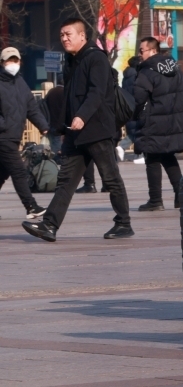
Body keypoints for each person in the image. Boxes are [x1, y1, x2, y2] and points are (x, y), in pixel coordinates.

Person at [22, 18, 133, 242]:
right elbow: (69, 98)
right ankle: (49, 225)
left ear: (82, 36)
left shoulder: (96, 58)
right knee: (66, 180)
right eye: (62, 35)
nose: (64, 39)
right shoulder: (72, 61)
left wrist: (82, 116)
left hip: (98, 130)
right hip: (75, 132)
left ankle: (123, 223)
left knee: (110, 178)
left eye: (68, 34)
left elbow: (96, 92)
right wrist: (63, 129)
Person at [132, 36, 183, 211]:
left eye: (142, 51)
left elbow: (138, 98)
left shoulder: (147, 71)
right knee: (167, 155)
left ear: (152, 51)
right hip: (173, 119)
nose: (139, 54)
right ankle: (180, 196)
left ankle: (155, 200)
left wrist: (135, 114)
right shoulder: (175, 69)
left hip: (154, 120)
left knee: (152, 157)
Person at [0, 47, 50, 219]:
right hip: (3, 137)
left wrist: (43, 126)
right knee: (19, 171)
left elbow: (32, 108)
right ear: (2, 63)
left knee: (2, 173)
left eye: (15, 60)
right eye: (9, 60)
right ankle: (31, 206)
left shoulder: (21, 83)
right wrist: (3, 125)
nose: (12, 64)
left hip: (15, 136)